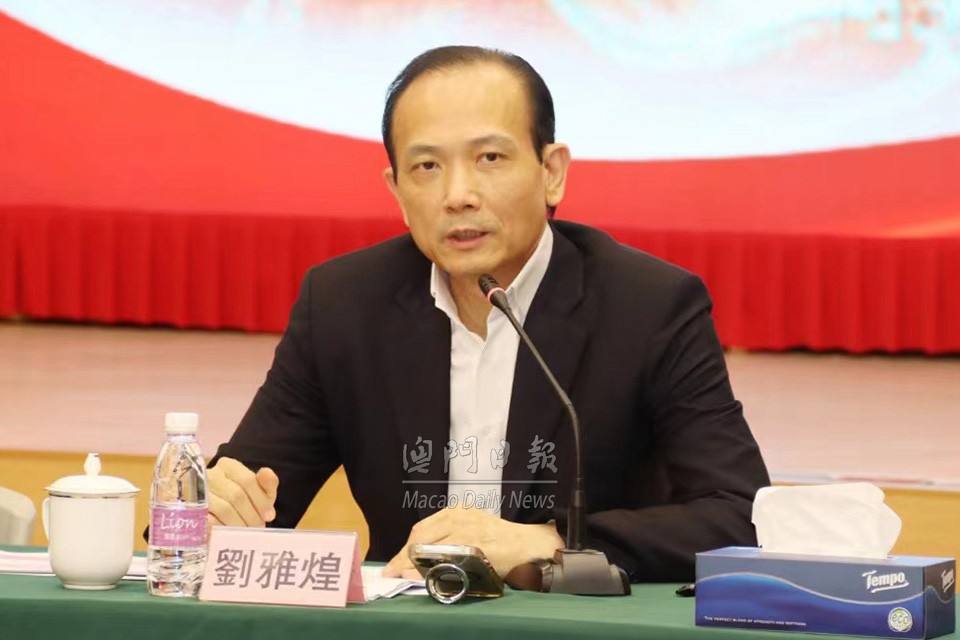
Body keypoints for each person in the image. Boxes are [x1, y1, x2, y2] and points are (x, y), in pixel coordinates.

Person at [206, 45, 770, 583]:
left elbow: (739, 516)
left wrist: (551, 541)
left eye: (490, 158)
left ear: (552, 171)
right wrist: (216, 505)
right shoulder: (344, 304)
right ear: (397, 190)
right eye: (427, 166)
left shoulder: (648, 305)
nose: (458, 195)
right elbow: (255, 496)